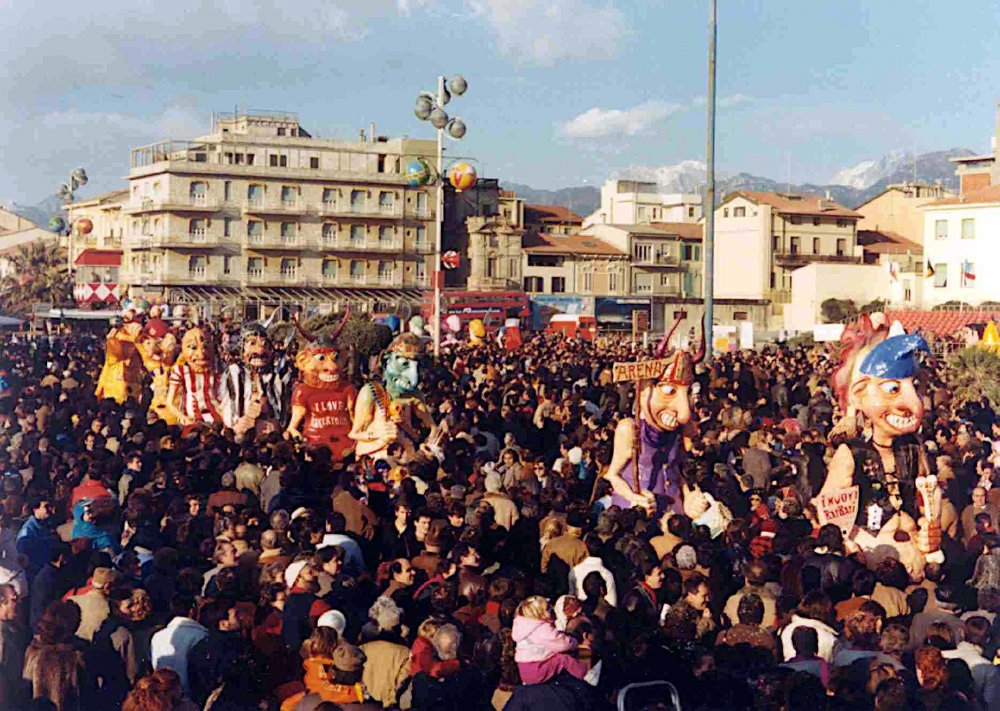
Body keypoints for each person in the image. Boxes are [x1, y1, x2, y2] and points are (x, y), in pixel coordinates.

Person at [511, 595, 587, 684]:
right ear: (540, 613)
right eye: (548, 608)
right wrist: (575, 642)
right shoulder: (542, 629)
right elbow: (562, 644)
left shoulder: (523, 625)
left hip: (525, 669)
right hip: (538, 669)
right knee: (563, 659)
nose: (551, 608)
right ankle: (586, 676)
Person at [0, 584, 26, 707]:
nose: (19, 603)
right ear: (2, 603)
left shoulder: (15, 631)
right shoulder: (2, 636)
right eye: (14, 600)